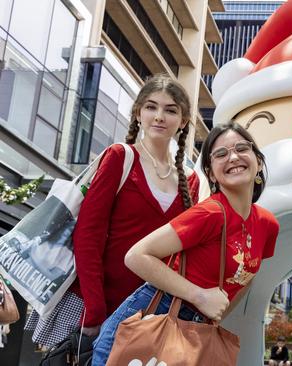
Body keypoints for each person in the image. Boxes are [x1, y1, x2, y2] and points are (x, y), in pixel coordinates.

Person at [24, 74, 199, 348]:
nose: (159, 116)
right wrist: (94, 309)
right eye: (151, 107)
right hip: (95, 306)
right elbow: (88, 235)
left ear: (183, 121)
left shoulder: (190, 180)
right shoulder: (120, 157)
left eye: (170, 110)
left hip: (149, 314)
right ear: (138, 113)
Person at [91, 121, 279, 364]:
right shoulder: (209, 213)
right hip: (153, 317)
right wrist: (200, 297)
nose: (233, 157)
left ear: (259, 161)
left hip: (196, 331)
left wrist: (216, 313)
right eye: (221, 154)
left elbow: (246, 278)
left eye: (242, 148)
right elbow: (137, 256)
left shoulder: (267, 224)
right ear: (211, 173)